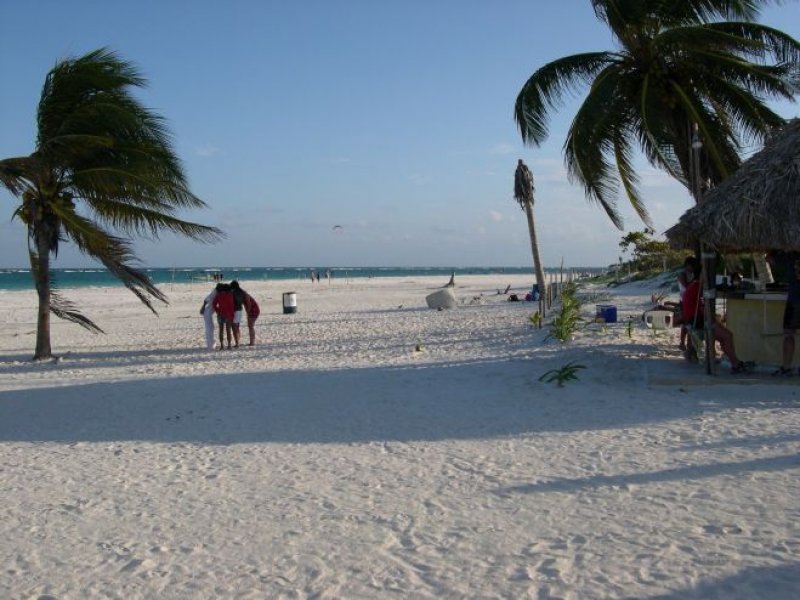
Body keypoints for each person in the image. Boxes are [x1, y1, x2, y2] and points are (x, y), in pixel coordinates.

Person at [682, 256, 749, 373]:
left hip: (694, 319)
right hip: (698, 321)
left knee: (724, 334)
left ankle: (733, 361)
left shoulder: (694, 286)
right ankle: (735, 363)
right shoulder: (699, 287)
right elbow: (703, 309)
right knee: (727, 336)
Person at [768, 252, 800, 376]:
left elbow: (769, 259)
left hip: (794, 301)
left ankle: (786, 367)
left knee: (788, 334)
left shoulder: (790, 255)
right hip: (794, 299)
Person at [212, 283, 234, 350]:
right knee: (228, 330)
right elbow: (231, 305)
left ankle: (222, 346)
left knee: (221, 330)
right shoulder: (230, 295)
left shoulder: (218, 295)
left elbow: (214, 304)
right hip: (228, 314)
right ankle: (229, 345)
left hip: (220, 314)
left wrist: (217, 310)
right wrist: (232, 314)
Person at [199, 286, 218, 350]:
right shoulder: (213, 295)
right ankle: (210, 345)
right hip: (207, 313)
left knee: (210, 329)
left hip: (208, 313)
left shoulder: (213, 295)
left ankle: (211, 344)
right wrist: (202, 309)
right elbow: (205, 302)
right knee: (209, 329)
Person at [230, 280, 246, 348]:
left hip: (235, 310)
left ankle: (237, 343)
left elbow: (232, 302)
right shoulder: (242, 292)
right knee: (237, 326)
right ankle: (238, 341)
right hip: (240, 310)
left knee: (234, 327)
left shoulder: (233, 293)